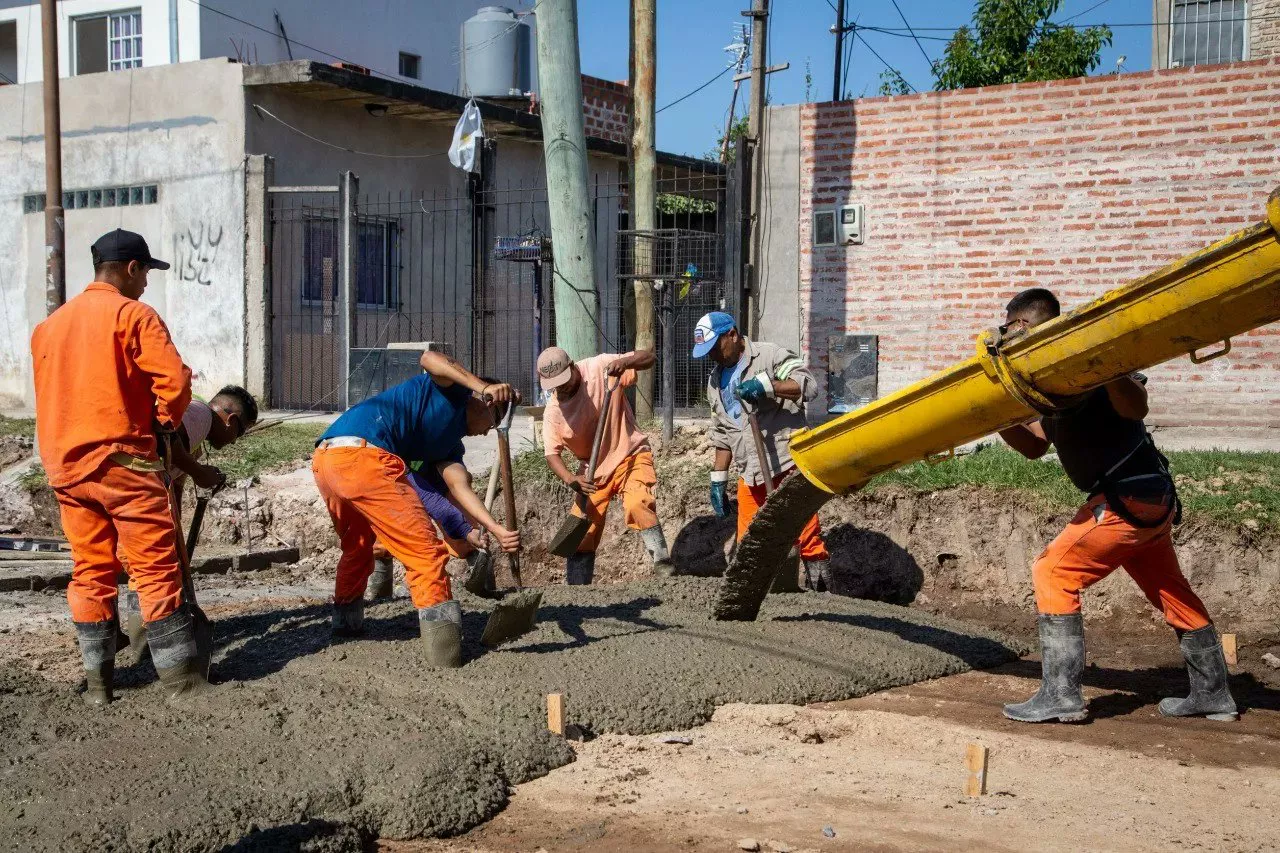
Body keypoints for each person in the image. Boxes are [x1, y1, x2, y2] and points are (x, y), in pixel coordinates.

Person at [997, 288, 1237, 723]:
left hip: (1127, 497)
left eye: (1009, 329)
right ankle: (1212, 694)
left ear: (1028, 326)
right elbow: (1035, 446)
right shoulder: (1049, 385)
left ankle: (1061, 697)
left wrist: (1105, 367)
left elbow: (1135, 406)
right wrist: (998, 416)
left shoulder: (1094, 366)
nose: (1007, 338)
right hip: (1148, 500)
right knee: (1171, 591)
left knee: (1053, 571)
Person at [30, 228, 205, 704]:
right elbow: (173, 381)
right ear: (131, 269)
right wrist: (166, 423)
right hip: (124, 464)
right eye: (146, 272)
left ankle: (98, 686)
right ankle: (183, 684)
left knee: (90, 572)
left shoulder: (50, 326)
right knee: (155, 569)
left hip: (67, 469)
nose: (147, 282)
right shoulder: (134, 315)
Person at [312, 353, 520, 667]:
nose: (489, 431)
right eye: (493, 421)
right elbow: (429, 358)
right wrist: (481, 385)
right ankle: (444, 654)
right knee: (424, 553)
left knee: (357, 546)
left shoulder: (449, 445)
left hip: (327, 459)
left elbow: (458, 490)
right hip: (365, 457)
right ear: (484, 404)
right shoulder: (450, 391)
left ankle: (345, 625)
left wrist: (496, 528)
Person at [118, 386, 260, 663]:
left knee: (141, 568)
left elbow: (174, 485)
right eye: (239, 433)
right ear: (231, 421)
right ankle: (145, 648)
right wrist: (200, 473)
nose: (234, 441)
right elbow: (168, 444)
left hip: (138, 495)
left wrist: (173, 536)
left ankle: (142, 648)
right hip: (132, 491)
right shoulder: (200, 415)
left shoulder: (194, 440)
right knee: (147, 569)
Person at [692, 312, 831, 591]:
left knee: (806, 535)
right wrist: (718, 479)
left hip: (786, 463)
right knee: (748, 542)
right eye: (707, 353)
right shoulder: (714, 382)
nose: (713, 357)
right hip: (751, 472)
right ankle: (756, 601)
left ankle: (824, 596)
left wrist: (768, 386)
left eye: (715, 348)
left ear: (732, 334)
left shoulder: (770, 356)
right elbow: (723, 433)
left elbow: (809, 386)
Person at [537, 345, 674, 584]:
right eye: (556, 385)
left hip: (630, 454)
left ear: (572, 366)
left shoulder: (600, 368)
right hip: (592, 472)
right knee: (581, 534)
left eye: (564, 380)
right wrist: (571, 479)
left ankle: (664, 569)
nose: (563, 387)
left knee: (637, 505)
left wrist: (628, 362)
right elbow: (552, 454)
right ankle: (577, 593)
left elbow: (650, 356)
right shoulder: (553, 412)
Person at [366, 463, 492, 600]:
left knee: (467, 536)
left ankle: (486, 592)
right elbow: (425, 495)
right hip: (390, 473)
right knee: (383, 543)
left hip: (436, 468)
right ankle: (381, 597)